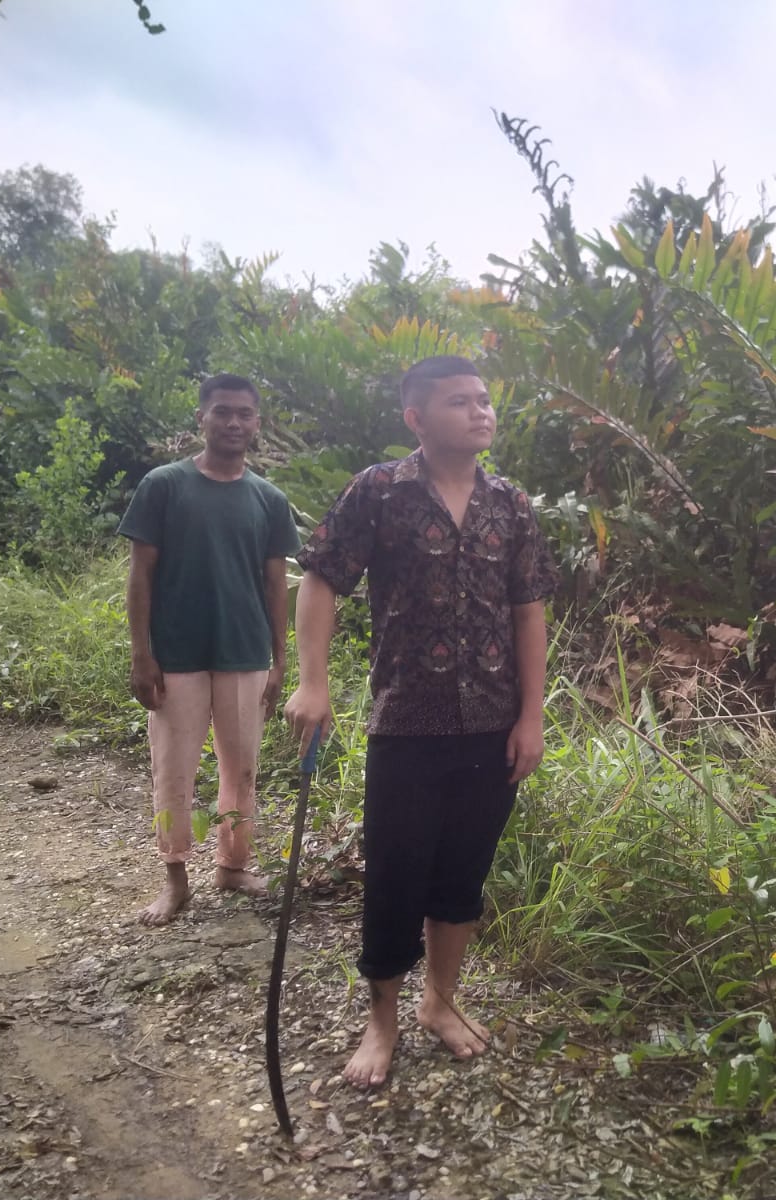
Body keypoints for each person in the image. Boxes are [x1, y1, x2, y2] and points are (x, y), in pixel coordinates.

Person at [283, 355, 557, 1086]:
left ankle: (440, 1005)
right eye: (459, 401)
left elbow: (529, 611)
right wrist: (314, 683)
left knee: (462, 873)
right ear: (416, 418)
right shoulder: (379, 492)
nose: (479, 411)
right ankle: (381, 1024)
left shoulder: (512, 504)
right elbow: (320, 579)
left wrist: (531, 716)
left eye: (485, 399)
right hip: (405, 721)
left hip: (492, 724)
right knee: (396, 877)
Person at [118, 373, 300, 926]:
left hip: (244, 652)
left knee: (241, 769)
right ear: (201, 418)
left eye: (245, 414)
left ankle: (232, 865)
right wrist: (140, 653)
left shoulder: (269, 499)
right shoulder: (164, 485)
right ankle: (175, 878)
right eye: (223, 412)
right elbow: (140, 575)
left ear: (257, 424)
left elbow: (276, 585)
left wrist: (280, 659)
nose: (234, 423)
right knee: (173, 769)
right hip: (176, 653)